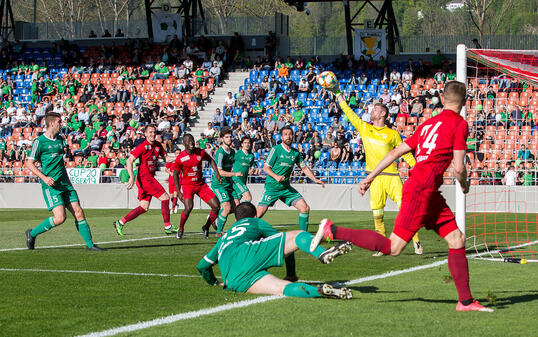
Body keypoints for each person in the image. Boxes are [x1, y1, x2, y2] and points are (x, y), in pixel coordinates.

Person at [311, 81, 494, 312]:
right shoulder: (459, 123)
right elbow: (459, 168)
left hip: (428, 191)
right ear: (465, 101)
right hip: (421, 190)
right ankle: (333, 230)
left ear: (441, 97)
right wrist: (464, 184)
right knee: (394, 247)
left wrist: (369, 177)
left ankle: (465, 301)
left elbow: (397, 152)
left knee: (456, 239)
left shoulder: (428, 124)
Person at [332, 83, 423, 255]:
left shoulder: (393, 134)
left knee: (405, 210)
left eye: (374, 110)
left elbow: (406, 154)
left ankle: (416, 241)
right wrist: (338, 94)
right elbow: (349, 113)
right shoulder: (365, 128)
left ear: (382, 113)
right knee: (377, 214)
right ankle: (382, 246)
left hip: (392, 176)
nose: (370, 112)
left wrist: (418, 168)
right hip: (373, 178)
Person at [197, 202, 353, 299]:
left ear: (236, 219)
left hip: (234, 280)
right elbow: (286, 246)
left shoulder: (224, 238)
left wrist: (215, 283)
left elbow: (202, 266)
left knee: (282, 288)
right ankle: (321, 253)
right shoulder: (255, 222)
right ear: (253, 215)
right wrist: (291, 273)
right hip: (247, 253)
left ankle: (318, 291)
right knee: (297, 235)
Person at [24, 113, 105, 251]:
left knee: (78, 211)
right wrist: (44, 178)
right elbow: (29, 163)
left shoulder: (61, 140)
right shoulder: (40, 142)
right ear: (51, 124)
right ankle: (31, 234)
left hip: (65, 183)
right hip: (51, 186)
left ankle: (90, 245)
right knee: (60, 218)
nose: (62, 124)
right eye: (59, 122)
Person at [257, 126, 325, 281]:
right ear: (281, 137)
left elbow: (304, 168)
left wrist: (314, 179)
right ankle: (243, 229)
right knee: (259, 214)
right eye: (285, 134)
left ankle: (304, 237)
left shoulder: (295, 153)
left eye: (290, 134)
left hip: (286, 188)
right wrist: (276, 176)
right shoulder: (275, 150)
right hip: (273, 187)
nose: (288, 136)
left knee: (304, 208)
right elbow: (266, 168)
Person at [113, 125, 178, 236]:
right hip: (145, 178)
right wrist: (131, 177)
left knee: (144, 207)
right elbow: (129, 160)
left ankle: (120, 222)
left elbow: (166, 158)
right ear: (146, 134)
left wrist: (179, 157)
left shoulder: (157, 145)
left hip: (147, 178)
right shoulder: (142, 146)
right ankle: (167, 226)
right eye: (150, 132)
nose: (153, 134)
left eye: (154, 132)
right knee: (165, 198)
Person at [173, 134, 222, 239]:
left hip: (201, 185)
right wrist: (178, 191)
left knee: (216, 206)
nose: (191, 142)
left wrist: (217, 172)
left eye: (192, 140)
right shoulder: (180, 158)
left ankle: (206, 226)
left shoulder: (200, 152)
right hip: (188, 186)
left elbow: (211, 160)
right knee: (188, 207)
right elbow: (175, 174)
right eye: (188, 141)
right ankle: (181, 228)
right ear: (183, 144)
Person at [212, 128, 242, 236]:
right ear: (222, 139)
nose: (229, 139)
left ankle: (214, 217)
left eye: (230, 137)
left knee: (237, 207)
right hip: (219, 184)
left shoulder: (233, 152)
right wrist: (234, 174)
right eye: (226, 137)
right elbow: (219, 172)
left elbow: (231, 168)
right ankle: (219, 232)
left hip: (228, 183)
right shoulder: (220, 153)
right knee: (227, 207)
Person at [232, 136, 255, 204]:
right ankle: (244, 212)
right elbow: (229, 162)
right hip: (236, 179)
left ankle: (216, 214)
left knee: (235, 204)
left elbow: (252, 165)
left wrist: (252, 169)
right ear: (242, 144)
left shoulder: (251, 155)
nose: (247, 144)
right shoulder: (237, 153)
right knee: (248, 198)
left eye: (248, 143)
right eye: (245, 143)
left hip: (243, 180)